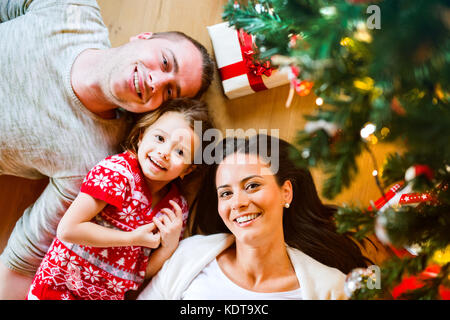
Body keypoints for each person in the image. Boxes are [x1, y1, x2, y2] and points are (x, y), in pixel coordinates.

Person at [0, 0, 214, 299]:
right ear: (143, 37)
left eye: (169, 93)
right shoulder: (73, 8)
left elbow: (24, 257)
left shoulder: (93, 162)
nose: (156, 80)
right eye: (165, 62)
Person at [137, 134, 370, 300]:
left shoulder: (333, 288)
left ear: (285, 192)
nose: (238, 203)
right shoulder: (190, 256)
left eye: (252, 186)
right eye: (226, 193)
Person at [27, 98, 214, 300]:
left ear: (188, 169)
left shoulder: (175, 209)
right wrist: (131, 239)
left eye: (180, 152)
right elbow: (68, 230)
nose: (164, 152)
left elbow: (139, 275)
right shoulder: (117, 173)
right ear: (142, 136)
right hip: (59, 288)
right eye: (160, 138)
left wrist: (169, 245)